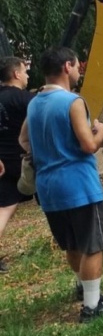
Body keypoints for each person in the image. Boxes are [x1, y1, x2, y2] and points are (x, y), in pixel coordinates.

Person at [20, 47, 103, 322]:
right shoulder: (72, 102)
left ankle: (83, 287)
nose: (79, 71)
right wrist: (100, 132)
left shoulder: (34, 101)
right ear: (67, 66)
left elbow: (23, 140)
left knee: (71, 244)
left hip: (48, 186)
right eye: (77, 66)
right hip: (78, 184)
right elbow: (88, 145)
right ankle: (92, 305)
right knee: (92, 243)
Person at [0, 57, 34, 273]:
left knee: (4, 208)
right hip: (23, 162)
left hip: (2, 163)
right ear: (16, 74)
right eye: (25, 71)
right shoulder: (26, 99)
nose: (28, 75)